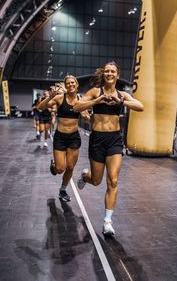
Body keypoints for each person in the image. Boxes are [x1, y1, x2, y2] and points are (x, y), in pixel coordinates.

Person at [73, 62, 144, 236]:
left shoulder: (122, 95)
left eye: (113, 71)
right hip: (97, 139)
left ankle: (107, 222)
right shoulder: (95, 92)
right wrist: (97, 100)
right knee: (96, 181)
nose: (109, 73)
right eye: (107, 71)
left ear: (117, 75)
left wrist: (121, 101)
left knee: (112, 180)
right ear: (104, 74)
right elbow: (76, 107)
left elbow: (140, 106)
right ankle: (85, 175)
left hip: (114, 140)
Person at [37, 75, 89, 202]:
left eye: (73, 83)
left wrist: (87, 116)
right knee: (60, 169)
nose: (71, 85)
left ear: (77, 85)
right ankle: (53, 166)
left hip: (74, 138)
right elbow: (41, 107)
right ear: (66, 86)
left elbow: (87, 118)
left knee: (70, 167)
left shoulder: (81, 100)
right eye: (68, 83)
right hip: (60, 137)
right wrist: (50, 96)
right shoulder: (60, 98)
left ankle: (63, 190)